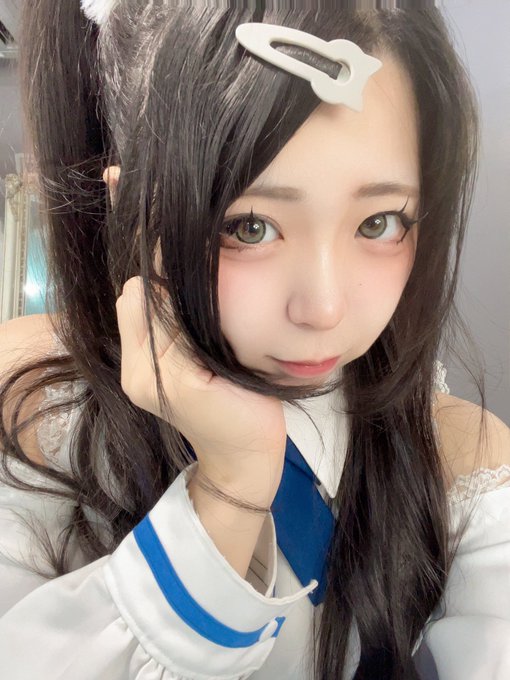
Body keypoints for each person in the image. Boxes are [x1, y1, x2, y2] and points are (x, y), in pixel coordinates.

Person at [0, 2, 509, 679]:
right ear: (133, 210)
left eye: (380, 222)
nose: (323, 308)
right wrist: (230, 488)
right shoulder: (37, 414)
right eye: (249, 227)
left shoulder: (462, 458)